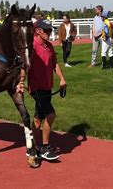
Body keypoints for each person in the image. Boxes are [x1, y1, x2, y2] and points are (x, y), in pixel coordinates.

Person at [28, 19, 67, 161]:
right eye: (47, 30)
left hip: (47, 87)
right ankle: (44, 148)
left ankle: (30, 145)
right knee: (50, 115)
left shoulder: (49, 46)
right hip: (36, 87)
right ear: (38, 31)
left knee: (38, 118)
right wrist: (20, 81)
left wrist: (62, 79)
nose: (50, 33)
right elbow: (23, 66)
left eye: (51, 30)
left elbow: (54, 64)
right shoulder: (31, 45)